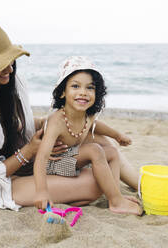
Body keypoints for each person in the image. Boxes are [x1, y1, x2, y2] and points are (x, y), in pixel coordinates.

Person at [0, 19, 140, 212]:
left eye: (10, 61)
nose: (10, 69)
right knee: (96, 183)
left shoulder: (12, 83)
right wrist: (29, 151)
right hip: (1, 181)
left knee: (102, 141)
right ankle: (104, 196)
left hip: (28, 156)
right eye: (0, 64)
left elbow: (21, 123)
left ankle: (141, 186)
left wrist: (51, 127)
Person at [33, 56, 143, 215]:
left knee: (112, 152)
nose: (83, 93)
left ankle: (114, 194)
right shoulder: (57, 121)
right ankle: (116, 202)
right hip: (54, 164)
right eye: (75, 86)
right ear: (63, 92)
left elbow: (96, 125)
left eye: (90, 88)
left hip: (72, 158)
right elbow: (41, 158)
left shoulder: (87, 115)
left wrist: (117, 135)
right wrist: (41, 191)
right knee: (94, 150)